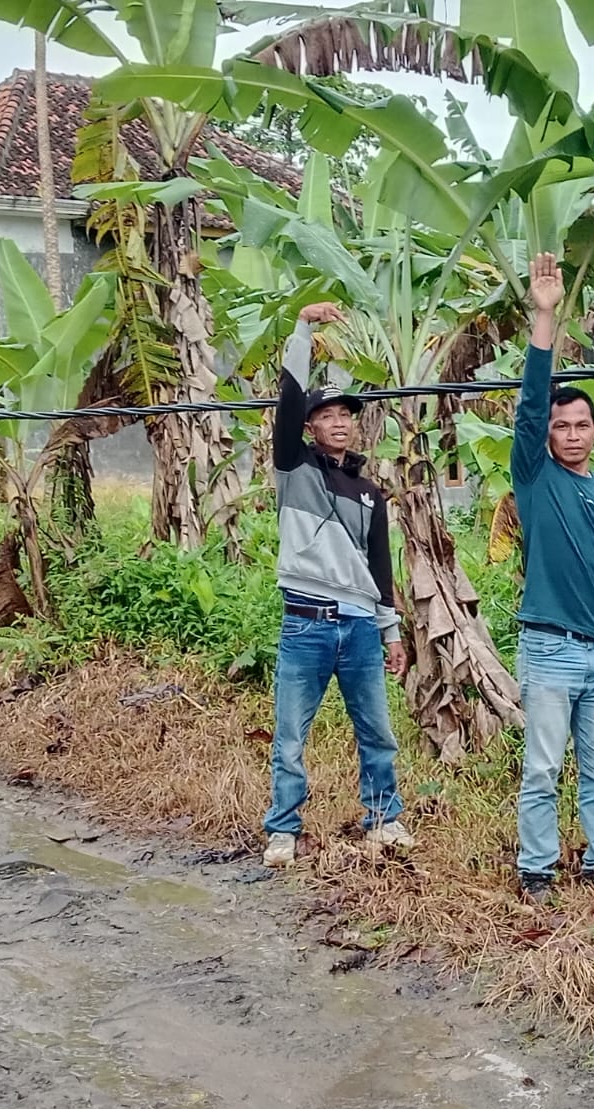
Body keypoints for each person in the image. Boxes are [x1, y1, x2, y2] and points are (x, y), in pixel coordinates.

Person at [512, 253, 594, 903]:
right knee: (542, 767)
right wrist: (545, 317)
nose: (568, 433)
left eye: (580, 424)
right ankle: (536, 869)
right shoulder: (535, 479)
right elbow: (531, 406)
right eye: (560, 426)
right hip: (548, 647)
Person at [262, 301, 412, 869]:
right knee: (291, 737)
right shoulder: (292, 469)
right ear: (310, 426)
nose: (340, 421)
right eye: (327, 415)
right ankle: (283, 830)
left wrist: (391, 633)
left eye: (347, 414)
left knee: (376, 731)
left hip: (359, 626)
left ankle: (384, 820)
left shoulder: (371, 493)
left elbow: (381, 571)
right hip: (305, 622)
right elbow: (289, 395)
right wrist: (302, 327)